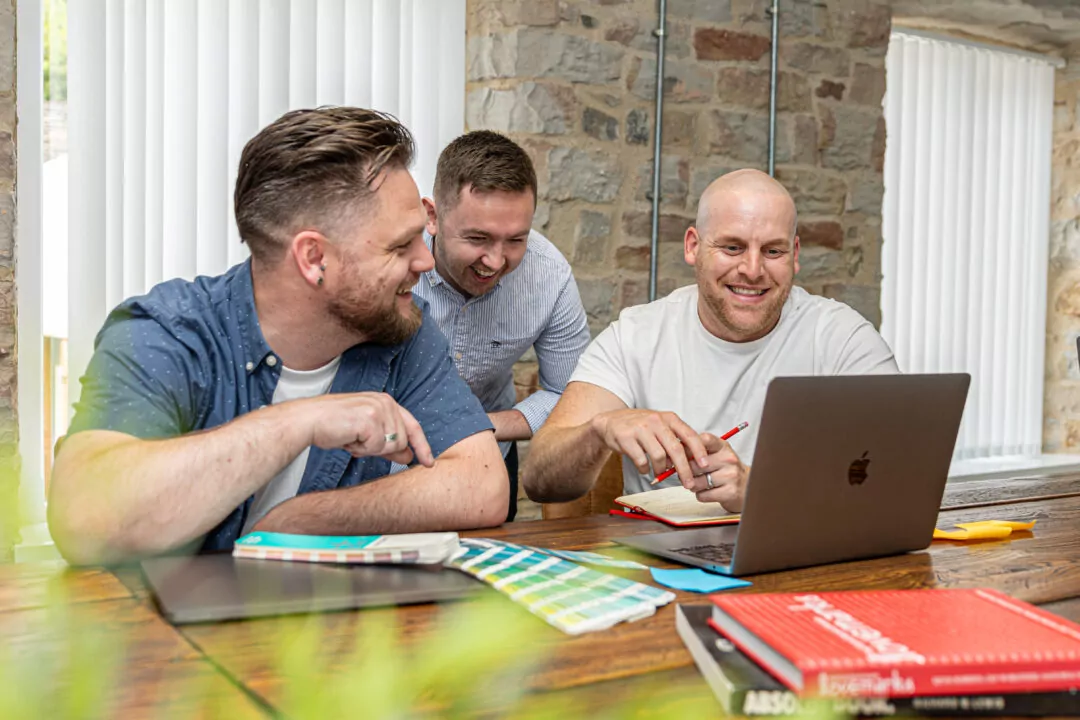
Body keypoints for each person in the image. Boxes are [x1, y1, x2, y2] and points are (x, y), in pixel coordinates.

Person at [48, 108, 508, 566]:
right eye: (399, 245)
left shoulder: (401, 326)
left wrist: (303, 519)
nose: (425, 263)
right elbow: (83, 517)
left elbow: (483, 483)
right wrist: (299, 421)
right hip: (158, 633)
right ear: (313, 258)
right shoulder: (166, 332)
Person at [521, 169, 898, 512]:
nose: (752, 270)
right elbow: (539, 479)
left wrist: (758, 491)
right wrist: (598, 429)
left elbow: (903, 479)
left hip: (803, 558)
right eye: (732, 247)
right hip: (664, 567)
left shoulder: (844, 338)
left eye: (773, 251)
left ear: (795, 255)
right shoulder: (635, 336)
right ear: (692, 247)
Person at [413, 131, 590, 520]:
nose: (495, 261)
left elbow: (570, 395)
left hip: (490, 455)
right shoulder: (392, 260)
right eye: (477, 238)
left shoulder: (550, 276)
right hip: (388, 457)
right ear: (433, 216)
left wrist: (478, 427)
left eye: (515, 240)